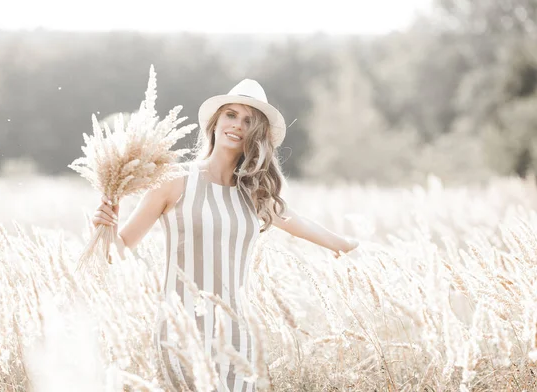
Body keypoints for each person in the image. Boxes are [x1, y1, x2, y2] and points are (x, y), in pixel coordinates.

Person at [91, 79, 359, 391]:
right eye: (231, 115)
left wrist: (342, 245)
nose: (237, 125)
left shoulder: (254, 192)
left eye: (248, 121)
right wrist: (104, 227)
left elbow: (296, 222)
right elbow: (119, 250)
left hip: (236, 334)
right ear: (216, 122)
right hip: (181, 330)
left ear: (256, 133)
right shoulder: (175, 181)